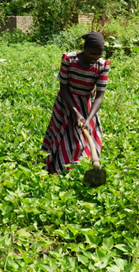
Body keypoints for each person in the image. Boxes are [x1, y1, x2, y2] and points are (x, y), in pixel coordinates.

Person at [42, 32, 110, 174]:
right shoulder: (69, 59)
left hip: (87, 106)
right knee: (64, 137)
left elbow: (99, 97)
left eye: (98, 54)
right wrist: (76, 114)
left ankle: (78, 171)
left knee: (85, 142)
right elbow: (64, 88)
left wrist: (88, 119)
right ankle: (57, 170)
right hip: (66, 104)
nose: (95, 58)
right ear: (84, 47)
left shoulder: (103, 65)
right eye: (92, 53)